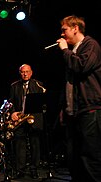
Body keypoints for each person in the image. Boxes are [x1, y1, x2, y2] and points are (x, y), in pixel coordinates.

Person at [55, 15, 101, 182]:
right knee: (74, 158)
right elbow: (68, 84)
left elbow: (81, 66)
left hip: (90, 109)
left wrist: (64, 50)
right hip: (74, 112)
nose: (61, 35)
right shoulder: (73, 51)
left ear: (75, 28)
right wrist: (64, 109)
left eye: (64, 30)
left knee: (90, 157)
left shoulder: (90, 45)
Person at [7, 64, 46, 180]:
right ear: (20, 73)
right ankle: (20, 170)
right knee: (20, 144)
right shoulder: (14, 86)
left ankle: (34, 169)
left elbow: (42, 103)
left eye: (27, 72)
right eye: (23, 72)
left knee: (35, 144)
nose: (25, 74)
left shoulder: (38, 85)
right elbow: (11, 102)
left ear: (31, 72)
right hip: (20, 119)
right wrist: (13, 112)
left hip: (33, 118)